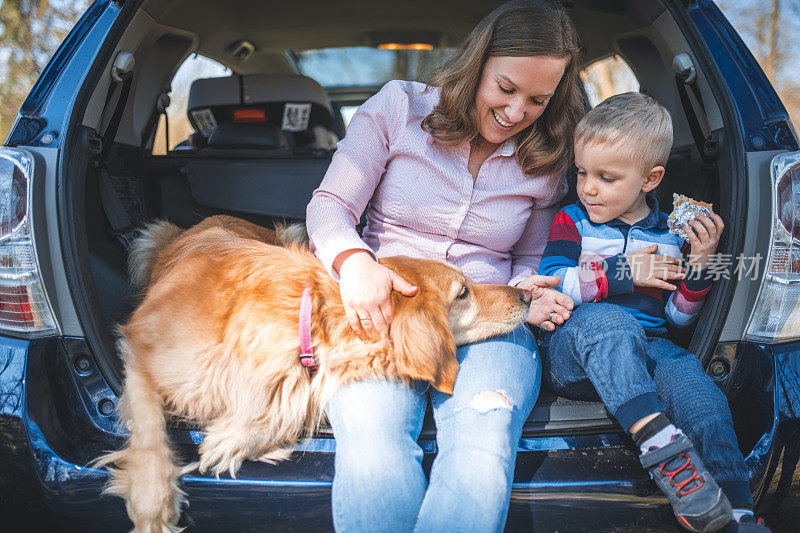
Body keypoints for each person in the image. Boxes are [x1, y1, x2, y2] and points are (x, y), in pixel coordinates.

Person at [305, 1, 583, 530]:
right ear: (477, 64)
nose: (517, 111)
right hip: (385, 312)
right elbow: (330, 206)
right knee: (372, 439)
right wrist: (354, 263)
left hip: (492, 316)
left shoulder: (549, 155)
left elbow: (530, 256)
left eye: (538, 99)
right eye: (505, 88)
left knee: (483, 437)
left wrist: (531, 288)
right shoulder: (398, 109)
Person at [538, 92, 769, 533]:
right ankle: (662, 446)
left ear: (650, 178)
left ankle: (736, 512)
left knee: (702, 397)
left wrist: (700, 265)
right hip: (575, 347)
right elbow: (553, 281)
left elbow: (680, 319)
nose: (588, 187)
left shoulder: (670, 235)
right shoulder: (573, 220)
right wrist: (623, 272)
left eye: (607, 178)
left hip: (652, 348)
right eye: (582, 172)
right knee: (613, 321)